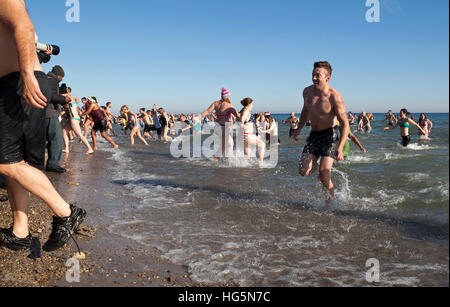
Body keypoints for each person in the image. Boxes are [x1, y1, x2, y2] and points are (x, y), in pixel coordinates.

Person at [0, 0, 86, 252]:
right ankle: (20, 230)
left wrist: (27, 75)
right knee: (13, 161)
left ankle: (65, 212)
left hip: (20, 81)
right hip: (10, 84)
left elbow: (24, 27)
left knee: (5, 162)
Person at [292, 61, 349, 199]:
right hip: (314, 134)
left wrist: (340, 148)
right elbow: (305, 110)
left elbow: (345, 124)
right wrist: (299, 128)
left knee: (324, 173)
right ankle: (320, 168)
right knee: (303, 171)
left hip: (330, 134)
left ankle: (331, 200)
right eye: (313, 75)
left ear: (327, 78)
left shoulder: (335, 97)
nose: (314, 78)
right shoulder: (307, 92)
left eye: (317, 75)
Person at [200, 88, 240, 159]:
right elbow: (239, 116)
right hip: (224, 128)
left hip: (217, 127)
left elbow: (207, 111)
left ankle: (217, 158)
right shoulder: (229, 106)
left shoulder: (215, 103)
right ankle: (227, 160)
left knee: (226, 144)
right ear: (228, 97)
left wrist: (199, 117)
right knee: (229, 144)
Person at [44, 65, 70, 173]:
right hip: (50, 113)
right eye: (62, 77)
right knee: (57, 140)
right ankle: (53, 164)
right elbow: (52, 96)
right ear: (59, 75)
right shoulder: (52, 80)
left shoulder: (46, 79)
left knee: (46, 140)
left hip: (44, 113)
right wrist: (65, 99)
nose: (62, 79)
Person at [60, 85, 94, 154]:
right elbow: (77, 100)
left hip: (74, 119)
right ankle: (66, 148)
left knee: (79, 135)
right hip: (72, 118)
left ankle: (90, 148)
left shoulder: (69, 97)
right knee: (64, 131)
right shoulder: (72, 97)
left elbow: (61, 95)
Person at [239, 98, 265, 164]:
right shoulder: (246, 110)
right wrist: (242, 124)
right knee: (262, 145)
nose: (252, 105)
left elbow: (238, 116)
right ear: (249, 104)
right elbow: (242, 118)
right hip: (247, 134)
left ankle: (243, 167)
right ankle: (261, 163)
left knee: (246, 155)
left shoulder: (242, 110)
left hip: (243, 135)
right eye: (252, 104)